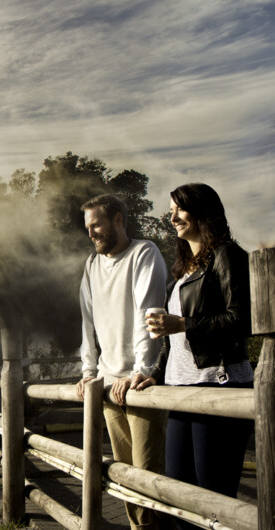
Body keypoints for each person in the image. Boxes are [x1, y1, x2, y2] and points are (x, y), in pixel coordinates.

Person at [145, 183, 253, 529]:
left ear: (202, 211)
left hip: (217, 386)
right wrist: (155, 374)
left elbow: (242, 320)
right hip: (180, 388)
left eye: (179, 209)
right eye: (171, 209)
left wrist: (183, 323)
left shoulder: (227, 254)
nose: (172, 216)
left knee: (213, 498)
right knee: (181, 495)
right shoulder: (183, 269)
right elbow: (172, 342)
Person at [75, 194, 169, 530]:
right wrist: (88, 373)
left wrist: (142, 370)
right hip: (109, 383)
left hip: (139, 386)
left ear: (117, 219)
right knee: (126, 477)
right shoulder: (91, 266)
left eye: (96, 224)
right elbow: (87, 323)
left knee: (148, 475)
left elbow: (150, 312)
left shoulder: (144, 253)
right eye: (88, 227)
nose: (91, 233)